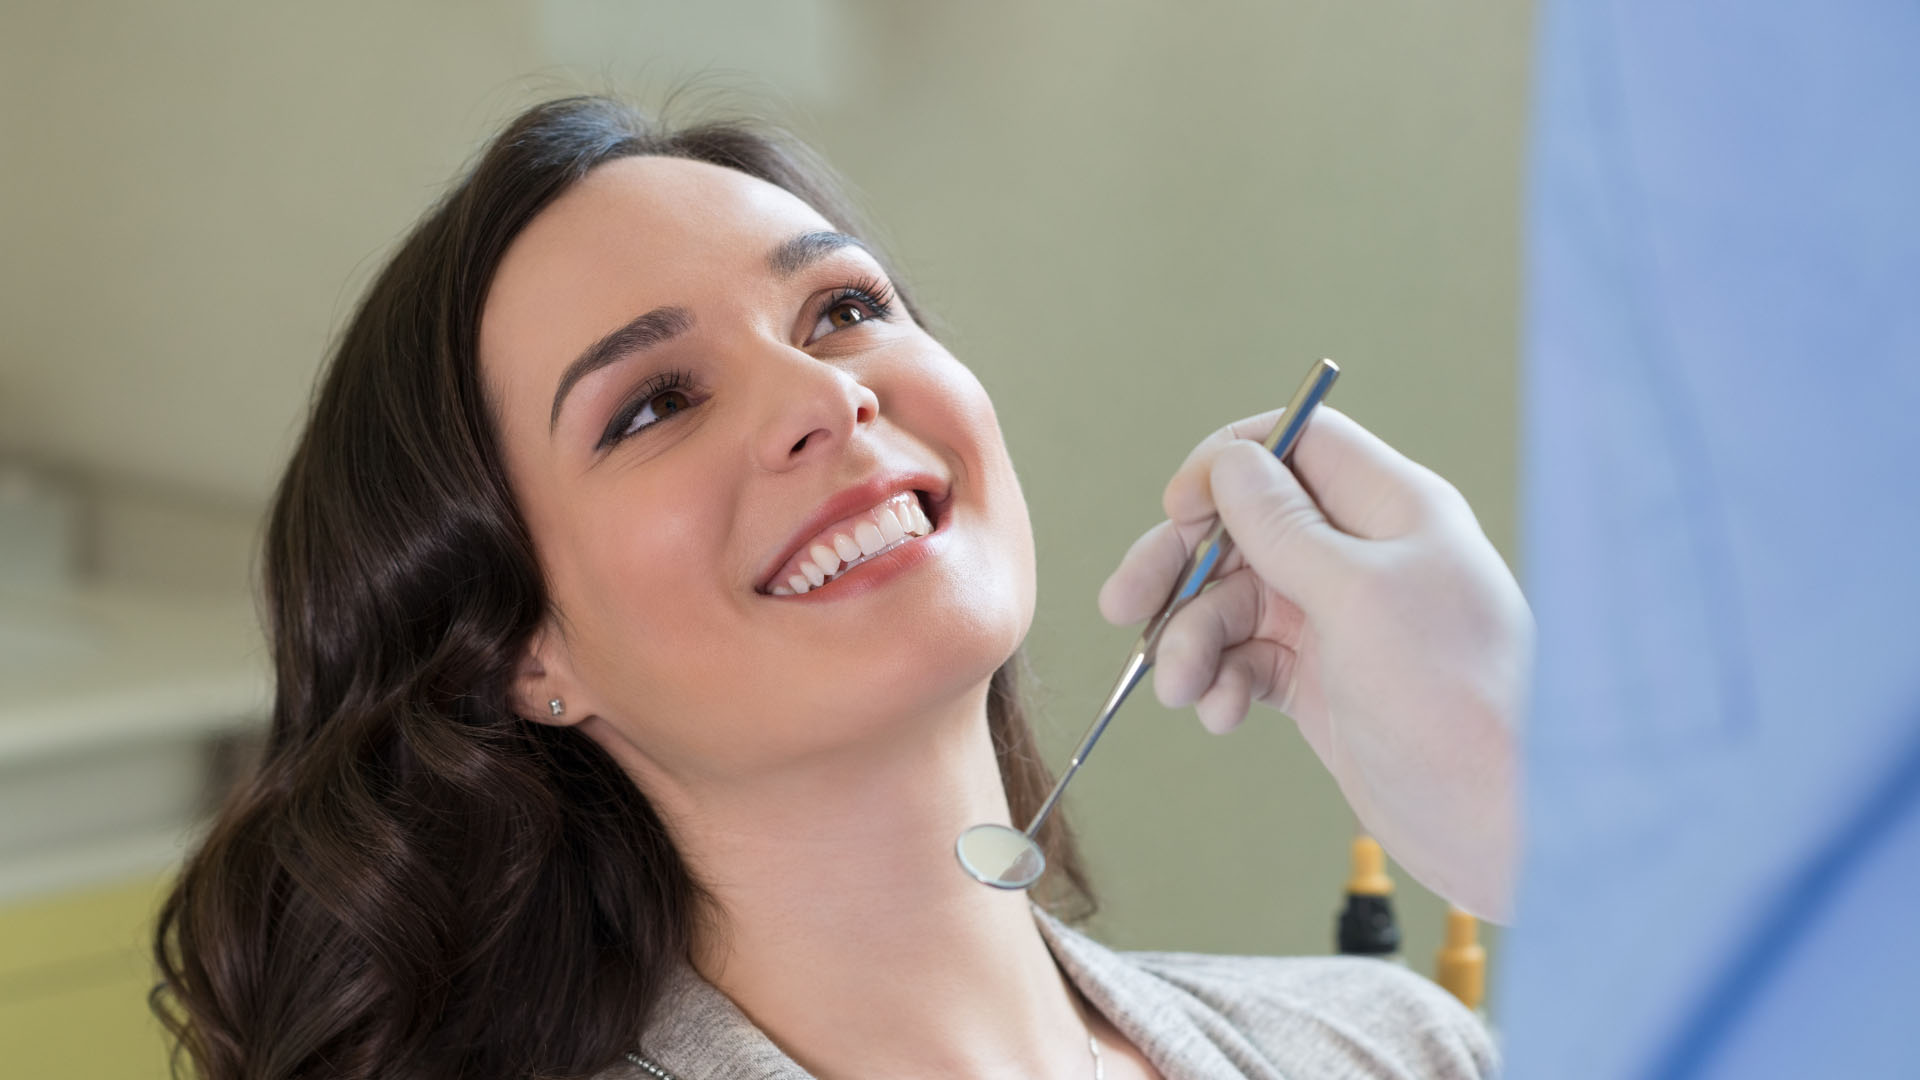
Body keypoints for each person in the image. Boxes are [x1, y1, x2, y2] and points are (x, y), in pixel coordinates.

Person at [152, 95, 1527, 1080]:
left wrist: (1527, 812)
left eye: (844, 311)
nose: (824, 396)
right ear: (523, 651)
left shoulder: (1397, 1046)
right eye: (653, 406)